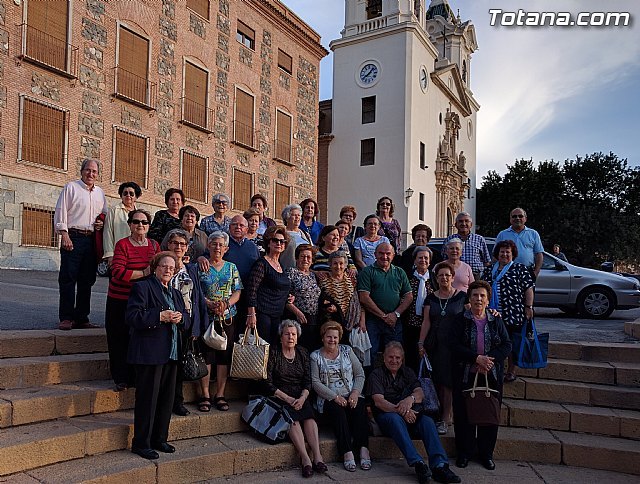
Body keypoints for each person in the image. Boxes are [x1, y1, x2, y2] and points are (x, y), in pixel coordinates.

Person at [126, 251, 190, 460]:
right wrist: (159, 316)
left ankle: (159, 439)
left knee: (166, 399)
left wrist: (181, 319)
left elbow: (187, 320)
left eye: (172, 268)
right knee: (148, 399)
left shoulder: (176, 293)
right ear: (155, 267)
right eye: (164, 266)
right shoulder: (143, 287)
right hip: (149, 353)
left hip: (171, 353)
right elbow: (132, 317)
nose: (168, 271)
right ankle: (141, 443)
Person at [368, 342, 461, 484]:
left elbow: (420, 393)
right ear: (384, 358)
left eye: (398, 357)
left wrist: (409, 400)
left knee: (428, 422)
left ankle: (440, 466)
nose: (394, 360)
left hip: (411, 415)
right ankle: (418, 464)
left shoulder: (408, 372)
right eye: (391, 357)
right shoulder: (376, 374)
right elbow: (379, 401)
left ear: (402, 358)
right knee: (395, 419)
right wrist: (403, 411)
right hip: (388, 417)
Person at [450, 280, 512, 471]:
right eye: (475, 295)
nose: (478, 299)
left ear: (488, 299)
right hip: (465, 374)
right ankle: (464, 453)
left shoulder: (496, 320)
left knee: (489, 415)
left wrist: (489, 361)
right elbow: (453, 345)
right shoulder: (461, 319)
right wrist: (476, 359)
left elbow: (506, 344)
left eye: (482, 296)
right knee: (463, 415)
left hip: (491, 374)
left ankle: (486, 454)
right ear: (469, 298)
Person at [264, 320, 326, 478]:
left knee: (309, 418)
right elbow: (268, 383)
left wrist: (303, 397)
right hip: (280, 396)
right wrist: (288, 399)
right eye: (287, 334)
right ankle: (305, 458)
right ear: (281, 337)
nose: (290, 337)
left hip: (301, 396)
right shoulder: (274, 352)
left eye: (293, 334)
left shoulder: (303, 352)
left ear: (297, 337)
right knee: (293, 420)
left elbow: (308, 380)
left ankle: (318, 456)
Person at [106, 209, 160, 391]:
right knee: (119, 339)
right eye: (136, 222)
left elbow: (160, 269)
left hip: (143, 301)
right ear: (130, 225)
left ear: (149, 226)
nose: (140, 225)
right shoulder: (122, 245)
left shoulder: (154, 246)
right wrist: (144, 273)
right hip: (120, 299)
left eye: (144, 222)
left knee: (138, 340)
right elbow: (118, 272)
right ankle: (121, 378)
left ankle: (136, 377)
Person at [54, 158, 107, 330]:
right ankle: (67, 318)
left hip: (91, 240)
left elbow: (105, 214)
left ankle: (82, 318)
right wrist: (65, 235)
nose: (91, 174)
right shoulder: (71, 187)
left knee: (87, 280)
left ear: (98, 175)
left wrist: (102, 223)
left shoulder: (100, 193)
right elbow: (61, 211)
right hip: (73, 237)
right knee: (68, 278)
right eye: (88, 170)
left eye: (94, 171)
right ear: (82, 171)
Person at [310, 322, 370, 472]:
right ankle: (346, 452)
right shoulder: (315, 356)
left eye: (335, 337)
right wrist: (335, 397)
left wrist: (355, 392)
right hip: (329, 398)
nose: (332, 340)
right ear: (323, 338)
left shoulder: (347, 350)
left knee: (360, 407)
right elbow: (315, 382)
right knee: (338, 412)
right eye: (329, 337)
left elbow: (360, 374)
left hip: (350, 394)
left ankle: (363, 449)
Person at [161, 228, 208, 417]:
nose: (178, 247)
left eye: (182, 244)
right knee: (166, 365)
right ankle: (163, 401)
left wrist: (197, 325)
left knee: (179, 365)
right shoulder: (163, 266)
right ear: (168, 245)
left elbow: (198, 298)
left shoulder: (191, 270)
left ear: (187, 247)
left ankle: (177, 402)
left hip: (186, 323)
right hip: (166, 323)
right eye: (175, 243)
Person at [418, 262, 467, 435]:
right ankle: (441, 414)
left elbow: (473, 314)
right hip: (435, 344)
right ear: (436, 278)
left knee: (448, 382)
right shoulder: (431, 298)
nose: (444, 278)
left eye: (447, 275)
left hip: (454, 345)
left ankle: (446, 418)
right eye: (440, 275)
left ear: (453, 277)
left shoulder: (462, 297)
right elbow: (426, 322)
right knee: (437, 380)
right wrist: (421, 343)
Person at [199, 231, 242, 412]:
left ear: (226, 248)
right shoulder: (200, 266)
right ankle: (205, 394)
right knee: (206, 355)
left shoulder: (232, 267)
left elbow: (238, 290)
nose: (217, 247)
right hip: (207, 316)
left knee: (223, 357)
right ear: (208, 246)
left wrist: (225, 304)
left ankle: (220, 394)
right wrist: (208, 303)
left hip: (227, 317)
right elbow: (195, 291)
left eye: (220, 245)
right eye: (214, 244)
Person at [481, 240, 534, 382]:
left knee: (512, 342)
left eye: (507, 252)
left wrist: (528, 307)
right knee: (492, 342)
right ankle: (493, 368)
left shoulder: (520, 269)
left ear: (513, 254)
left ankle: (511, 370)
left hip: (513, 313)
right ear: (497, 254)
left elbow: (528, 289)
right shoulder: (488, 270)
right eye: (502, 252)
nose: (504, 254)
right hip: (491, 313)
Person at [358, 243, 413, 364]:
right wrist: (383, 316)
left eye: (388, 253)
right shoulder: (367, 272)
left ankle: (395, 381)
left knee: (395, 354)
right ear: (375, 255)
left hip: (395, 321)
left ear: (393, 255)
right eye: (381, 253)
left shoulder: (400, 272)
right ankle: (372, 381)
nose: (384, 256)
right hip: (373, 320)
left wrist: (396, 314)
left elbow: (409, 296)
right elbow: (364, 297)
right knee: (370, 355)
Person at [245, 225, 291, 344]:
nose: (279, 243)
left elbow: (280, 288)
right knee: (262, 348)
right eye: (275, 240)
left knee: (274, 348)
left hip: (278, 314)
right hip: (262, 314)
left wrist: (289, 296)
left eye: (282, 241)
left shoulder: (281, 265)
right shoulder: (262, 263)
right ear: (268, 243)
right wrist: (251, 314)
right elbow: (251, 289)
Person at [402, 246, 435, 372]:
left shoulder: (434, 278)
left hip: (429, 325)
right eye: (420, 257)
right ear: (415, 260)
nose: (423, 260)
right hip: (410, 324)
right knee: (411, 357)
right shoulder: (407, 277)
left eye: (426, 258)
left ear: (430, 261)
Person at [318, 251, 364, 342]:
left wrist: (362, 321)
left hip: (351, 321)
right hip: (331, 323)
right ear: (330, 264)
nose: (338, 267)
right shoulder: (323, 280)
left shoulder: (352, 279)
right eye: (335, 263)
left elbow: (359, 302)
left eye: (341, 263)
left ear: (346, 265)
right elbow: (321, 302)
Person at [286, 244, 322, 351]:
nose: (305, 259)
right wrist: (297, 312)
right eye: (302, 256)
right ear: (297, 258)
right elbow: (284, 297)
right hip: (297, 317)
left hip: (313, 319)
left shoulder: (313, 275)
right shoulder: (291, 272)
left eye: (308, 257)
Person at [495, 207, 544, 280]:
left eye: (520, 216)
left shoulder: (533, 234)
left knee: (528, 292)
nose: (517, 218)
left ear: (525, 219)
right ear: (510, 219)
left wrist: (535, 272)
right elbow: (495, 254)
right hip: (506, 272)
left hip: (528, 271)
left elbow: (539, 254)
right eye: (514, 216)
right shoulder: (502, 234)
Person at [442, 212, 491, 280]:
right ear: (456, 225)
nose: (464, 224)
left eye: (466, 221)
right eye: (460, 221)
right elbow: (444, 259)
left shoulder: (479, 239)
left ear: (471, 224)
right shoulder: (449, 240)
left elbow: (487, 261)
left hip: (477, 276)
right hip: (455, 276)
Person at [102, 181, 142, 263]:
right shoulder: (114, 211)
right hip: (119, 254)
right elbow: (108, 232)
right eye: (125, 193)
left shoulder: (140, 214)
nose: (128, 195)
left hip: (136, 253)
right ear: (121, 195)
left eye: (131, 194)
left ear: (136, 197)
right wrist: (110, 254)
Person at [281, 203, 313, 270]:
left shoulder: (305, 234)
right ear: (287, 218)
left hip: (304, 271)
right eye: (294, 215)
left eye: (299, 215)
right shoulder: (282, 234)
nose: (297, 217)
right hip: (288, 270)